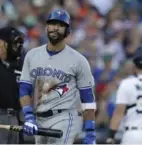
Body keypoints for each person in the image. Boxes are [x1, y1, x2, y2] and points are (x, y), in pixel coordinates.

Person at [19, 9, 96, 144]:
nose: (56, 28)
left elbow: (87, 98)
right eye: (53, 23)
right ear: (46, 27)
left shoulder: (78, 60)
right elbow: (24, 88)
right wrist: (28, 115)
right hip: (39, 117)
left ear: (68, 31)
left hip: (65, 116)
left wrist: (90, 131)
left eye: (61, 25)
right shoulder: (32, 55)